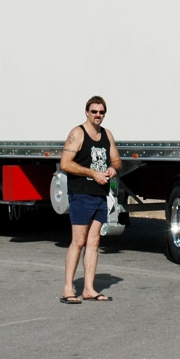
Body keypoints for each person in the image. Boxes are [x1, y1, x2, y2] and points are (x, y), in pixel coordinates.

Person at [60, 95, 121, 303]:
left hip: (100, 195)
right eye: (94, 111)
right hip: (81, 194)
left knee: (94, 241)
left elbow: (117, 160)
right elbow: (65, 164)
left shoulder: (107, 135)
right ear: (87, 112)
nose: (98, 115)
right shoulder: (78, 133)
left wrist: (113, 168)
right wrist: (91, 172)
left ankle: (88, 288)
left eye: (101, 112)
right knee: (78, 241)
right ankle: (68, 288)